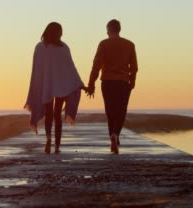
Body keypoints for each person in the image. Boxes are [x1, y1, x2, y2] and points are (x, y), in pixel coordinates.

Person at [24, 22, 87, 154]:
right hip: (61, 86)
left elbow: (36, 71)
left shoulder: (40, 47)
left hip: (46, 86)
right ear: (59, 33)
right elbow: (71, 68)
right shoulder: (64, 48)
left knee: (49, 114)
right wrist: (79, 83)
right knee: (57, 114)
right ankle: (57, 145)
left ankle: (48, 139)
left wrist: (38, 85)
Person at [86, 19, 137, 154]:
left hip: (107, 82)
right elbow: (134, 67)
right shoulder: (129, 44)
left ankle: (112, 137)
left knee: (110, 110)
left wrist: (91, 83)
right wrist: (133, 81)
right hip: (123, 82)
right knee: (121, 110)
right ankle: (115, 134)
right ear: (119, 29)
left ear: (108, 30)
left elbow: (96, 65)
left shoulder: (104, 44)